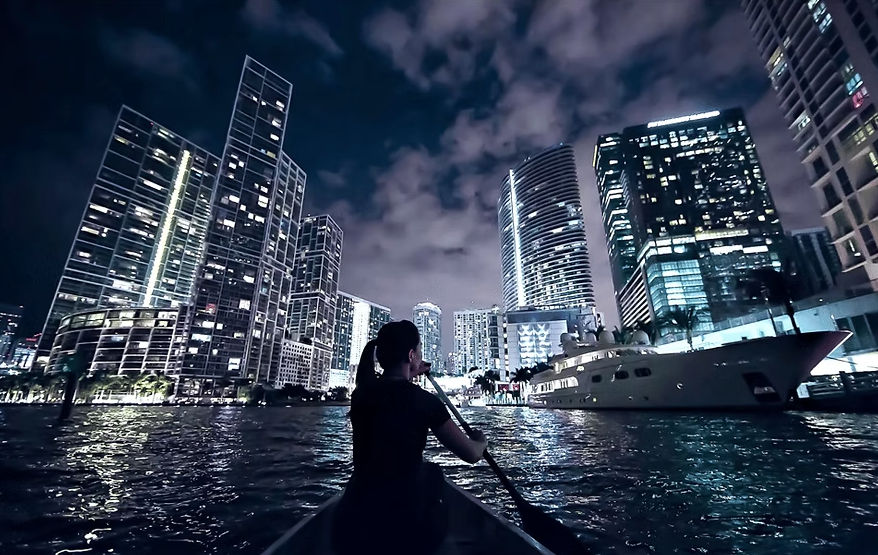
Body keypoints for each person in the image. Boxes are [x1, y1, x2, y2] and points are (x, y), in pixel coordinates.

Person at [332, 320, 488, 555]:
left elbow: (391, 390)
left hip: (353, 520)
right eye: (419, 352)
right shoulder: (425, 402)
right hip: (404, 527)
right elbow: (472, 454)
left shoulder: (361, 395)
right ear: (411, 354)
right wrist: (480, 440)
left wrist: (411, 369)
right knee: (433, 474)